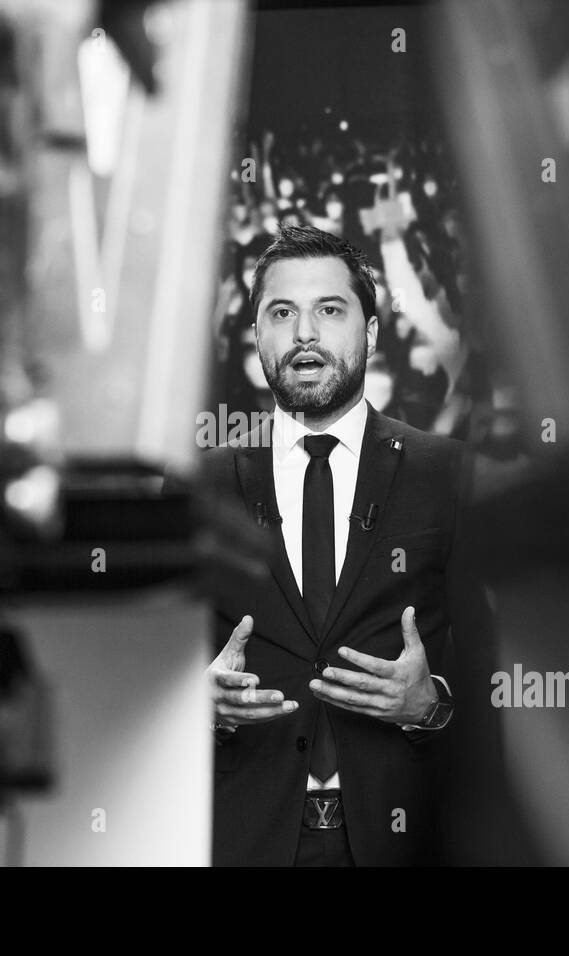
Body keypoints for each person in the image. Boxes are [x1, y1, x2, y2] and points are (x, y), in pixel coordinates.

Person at [198, 225, 492, 866]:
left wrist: (431, 704)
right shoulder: (202, 488)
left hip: (405, 844)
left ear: (371, 331)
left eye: (329, 310)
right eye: (282, 313)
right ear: (257, 337)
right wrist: (197, 703)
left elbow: (505, 687)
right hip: (244, 843)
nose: (305, 333)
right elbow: (146, 683)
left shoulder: (446, 474)